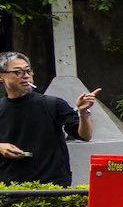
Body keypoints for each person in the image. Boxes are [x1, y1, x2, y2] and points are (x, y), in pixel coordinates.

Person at [0, 53, 98, 186]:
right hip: (9, 188)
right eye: (18, 72)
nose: (26, 75)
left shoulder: (53, 104)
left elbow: (84, 135)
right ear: (2, 76)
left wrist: (83, 112)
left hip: (52, 186)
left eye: (28, 71)